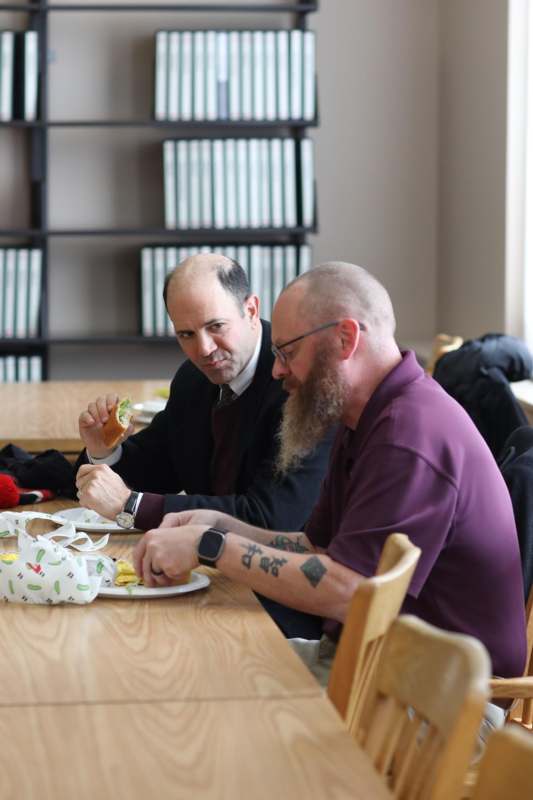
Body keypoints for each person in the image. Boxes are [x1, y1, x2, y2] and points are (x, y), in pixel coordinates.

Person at [133, 262, 527, 705]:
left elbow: (348, 592)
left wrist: (211, 546)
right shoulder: (365, 417)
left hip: (437, 705)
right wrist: (220, 525)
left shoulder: (409, 434)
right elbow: (315, 550)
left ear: (345, 339)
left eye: (287, 352)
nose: (278, 371)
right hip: (374, 667)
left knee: (195, 700)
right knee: (183, 666)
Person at [75, 254, 335, 637]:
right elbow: (158, 463)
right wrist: (104, 451)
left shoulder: (297, 384)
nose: (204, 349)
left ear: (251, 309)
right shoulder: (194, 379)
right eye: (186, 335)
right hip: (213, 581)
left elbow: (269, 516)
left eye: (216, 326)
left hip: (282, 608)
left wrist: (132, 506)